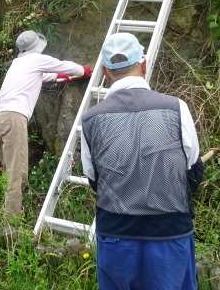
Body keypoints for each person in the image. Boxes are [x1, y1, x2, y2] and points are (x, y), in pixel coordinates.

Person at [81, 32, 204, 290]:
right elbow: (193, 171)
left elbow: (94, 180)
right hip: (169, 234)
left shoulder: (91, 119)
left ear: (105, 71)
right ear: (144, 64)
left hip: (116, 235)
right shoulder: (176, 107)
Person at [0, 30, 91, 218]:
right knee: (17, 172)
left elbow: (43, 76)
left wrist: (61, 77)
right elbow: (64, 65)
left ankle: (5, 211)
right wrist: (83, 71)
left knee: (8, 169)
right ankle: (12, 220)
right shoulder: (37, 60)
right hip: (14, 116)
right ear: (37, 47)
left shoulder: (18, 63)